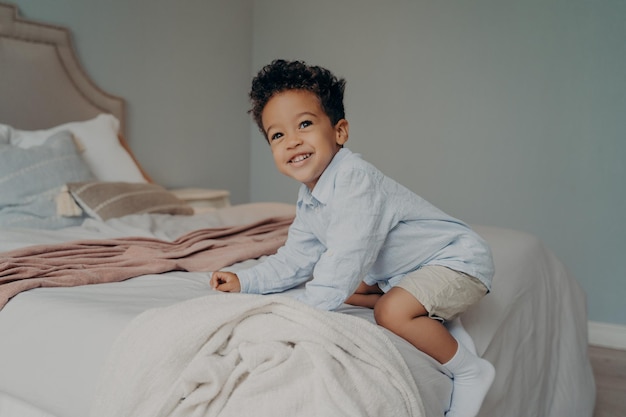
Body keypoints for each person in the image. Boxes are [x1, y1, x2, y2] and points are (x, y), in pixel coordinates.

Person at [210, 59, 495, 417]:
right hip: (409, 271)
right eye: (278, 135)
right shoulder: (311, 198)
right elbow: (296, 259)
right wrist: (246, 280)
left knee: (390, 311)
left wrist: (302, 314)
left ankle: (470, 370)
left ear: (339, 132)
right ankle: (429, 312)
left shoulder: (355, 178)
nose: (293, 140)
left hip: (456, 260)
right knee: (351, 285)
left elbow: (347, 254)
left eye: (305, 124)